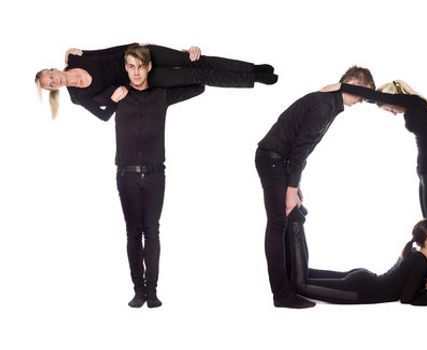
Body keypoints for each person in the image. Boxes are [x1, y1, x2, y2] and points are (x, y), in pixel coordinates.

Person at [321, 80, 427, 303]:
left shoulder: (415, 103)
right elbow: (384, 100)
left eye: (390, 108)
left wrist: (341, 87)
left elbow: (380, 97)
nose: (392, 113)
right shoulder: (412, 107)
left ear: (394, 97)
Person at [255, 66, 375, 308]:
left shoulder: (329, 103)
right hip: (272, 159)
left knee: (291, 217)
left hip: (280, 162)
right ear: (352, 83)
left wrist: (294, 185)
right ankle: (281, 294)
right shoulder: (324, 105)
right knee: (277, 223)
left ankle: (294, 282)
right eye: (364, 92)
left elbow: (302, 149)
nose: (363, 100)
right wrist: (290, 188)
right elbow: (300, 149)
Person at [98, 46, 206, 308]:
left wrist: (187, 58)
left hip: (156, 174)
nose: (136, 72)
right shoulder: (118, 93)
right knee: (133, 233)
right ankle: (138, 290)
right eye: (131, 66)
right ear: (126, 68)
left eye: (140, 66)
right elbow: (80, 95)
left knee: (152, 232)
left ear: (148, 68)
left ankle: (152, 290)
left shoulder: (162, 94)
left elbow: (199, 85)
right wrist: (74, 56)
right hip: (126, 176)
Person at [35, 43, 275, 120]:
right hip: (140, 77)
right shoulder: (79, 98)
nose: (54, 81)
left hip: (140, 53)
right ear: (52, 90)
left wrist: (137, 44)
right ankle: (252, 79)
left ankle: (252, 68)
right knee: (196, 75)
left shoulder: (76, 56)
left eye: (50, 76)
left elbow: (105, 51)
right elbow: (105, 115)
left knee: (195, 59)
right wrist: (113, 99)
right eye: (50, 85)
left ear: (54, 69)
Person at [286, 208, 427, 305]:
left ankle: (295, 224)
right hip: (361, 289)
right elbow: (406, 298)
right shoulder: (419, 260)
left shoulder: (413, 252)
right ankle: (295, 220)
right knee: (299, 285)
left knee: (304, 274)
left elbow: (403, 284)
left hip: (363, 280)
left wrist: (423, 284)